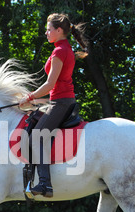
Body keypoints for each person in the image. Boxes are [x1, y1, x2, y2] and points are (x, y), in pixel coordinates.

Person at [19, 13, 89, 198]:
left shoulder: (59, 51)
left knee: (37, 136)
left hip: (61, 102)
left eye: (49, 29)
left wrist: (30, 96)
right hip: (59, 100)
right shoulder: (64, 48)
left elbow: (50, 84)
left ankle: (45, 184)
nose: (46, 33)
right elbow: (55, 88)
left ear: (59, 30)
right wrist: (38, 101)